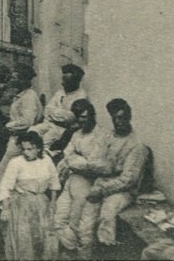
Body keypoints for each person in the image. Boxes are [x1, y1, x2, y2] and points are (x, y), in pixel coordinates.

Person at [74, 98, 149, 256]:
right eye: (115, 118)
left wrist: (103, 187)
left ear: (129, 117)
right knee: (85, 227)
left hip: (122, 191)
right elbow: (95, 160)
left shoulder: (137, 145)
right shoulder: (108, 137)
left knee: (107, 216)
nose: (118, 122)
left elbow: (128, 179)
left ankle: (107, 252)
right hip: (101, 184)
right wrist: (103, 172)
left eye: (122, 118)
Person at [0, 130, 60, 260]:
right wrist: (5, 208)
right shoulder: (16, 162)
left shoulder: (47, 161)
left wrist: (53, 202)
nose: (26, 152)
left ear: (38, 148)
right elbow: (5, 186)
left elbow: (54, 182)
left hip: (42, 202)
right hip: (22, 203)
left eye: (30, 149)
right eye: (24, 149)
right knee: (25, 239)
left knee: (44, 236)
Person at [56, 99, 106, 253]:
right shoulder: (76, 134)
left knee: (78, 227)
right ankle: (68, 251)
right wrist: (76, 159)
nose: (81, 121)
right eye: (78, 117)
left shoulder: (101, 135)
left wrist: (75, 160)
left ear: (93, 115)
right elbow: (67, 155)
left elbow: (93, 164)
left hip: (88, 183)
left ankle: (78, 254)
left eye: (85, 117)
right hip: (71, 180)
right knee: (58, 220)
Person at [0, 67, 44, 182]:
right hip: (17, 137)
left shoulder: (29, 97)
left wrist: (8, 126)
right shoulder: (20, 95)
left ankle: (6, 197)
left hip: (22, 138)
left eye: (14, 78)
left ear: (23, 80)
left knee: (4, 169)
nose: (11, 80)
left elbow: (27, 122)